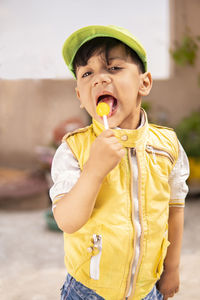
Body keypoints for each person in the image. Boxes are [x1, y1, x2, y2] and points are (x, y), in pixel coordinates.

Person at [49, 25, 189, 300]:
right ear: (80, 95)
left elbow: (175, 209)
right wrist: (94, 171)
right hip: (88, 290)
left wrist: (171, 269)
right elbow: (67, 221)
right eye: (87, 73)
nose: (99, 79)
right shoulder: (73, 149)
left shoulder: (167, 145)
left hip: (147, 289)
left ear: (144, 83)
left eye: (113, 68)